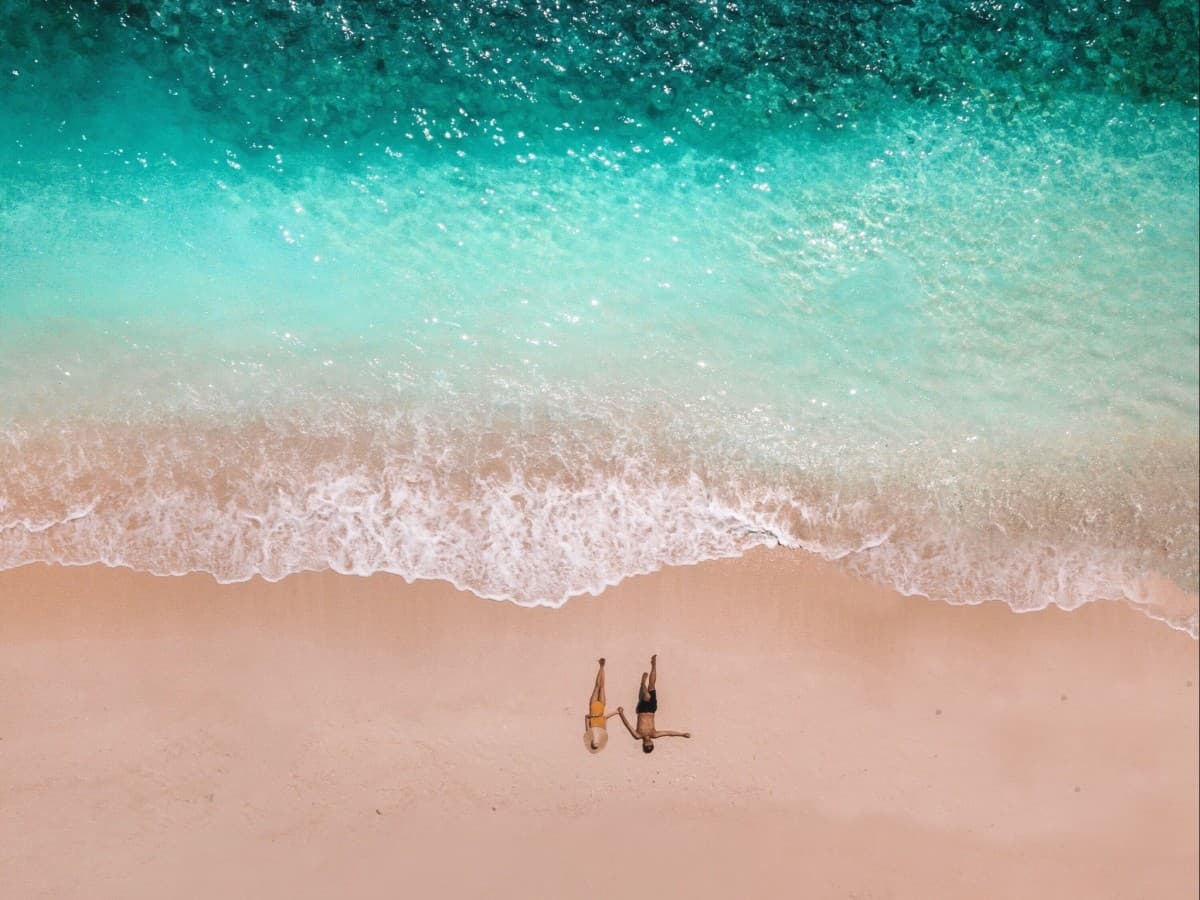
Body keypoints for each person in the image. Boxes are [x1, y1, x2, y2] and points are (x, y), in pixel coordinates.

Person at [617, 654, 691, 753]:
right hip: (652, 710)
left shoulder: (638, 735)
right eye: (650, 744)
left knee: (647, 696)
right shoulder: (654, 734)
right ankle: (654, 665)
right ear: (652, 742)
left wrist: (621, 713)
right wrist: (682, 734)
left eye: (647, 745)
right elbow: (669, 733)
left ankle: (642, 683)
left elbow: (627, 725)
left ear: (643, 744)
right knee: (652, 686)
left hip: (642, 710)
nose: (648, 742)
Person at [584, 658, 620, 753]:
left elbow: (586, 717)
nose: (596, 741)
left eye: (594, 742)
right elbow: (605, 718)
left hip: (593, 707)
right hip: (601, 707)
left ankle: (601, 666)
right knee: (602, 686)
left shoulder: (589, 731)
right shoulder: (603, 730)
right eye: (597, 742)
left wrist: (592, 716)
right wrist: (616, 712)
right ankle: (602, 667)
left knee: (597, 686)